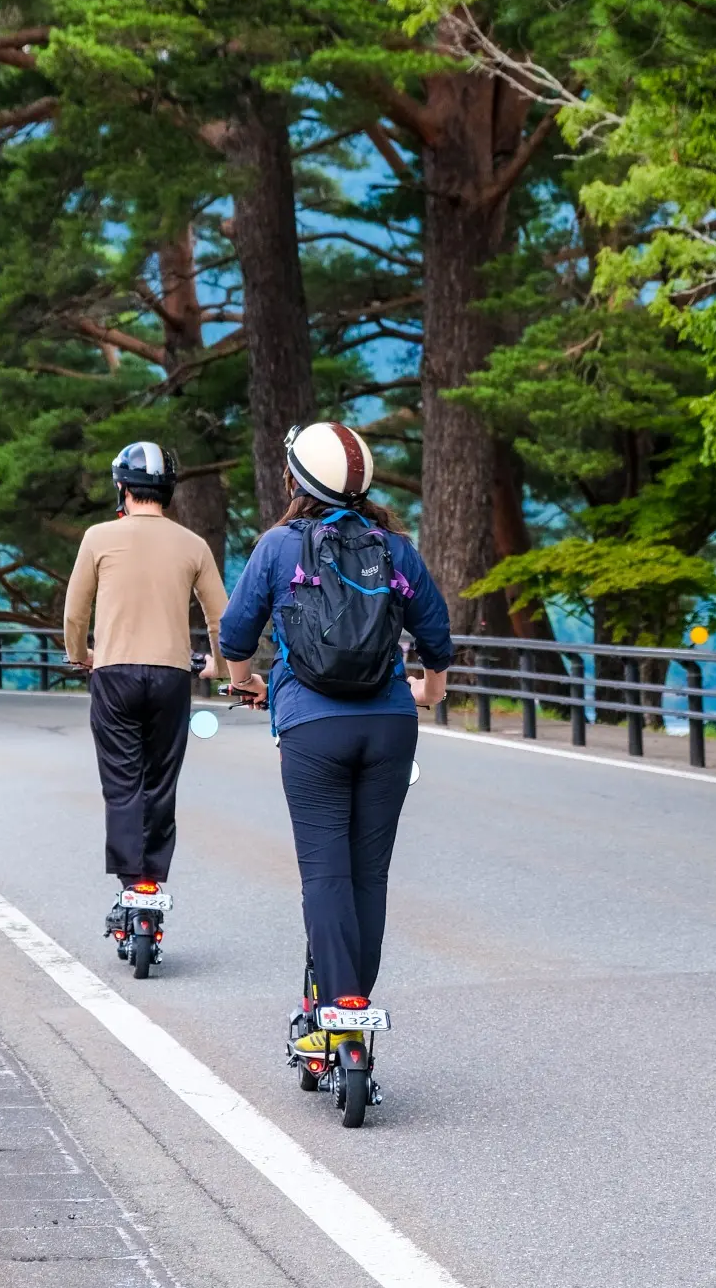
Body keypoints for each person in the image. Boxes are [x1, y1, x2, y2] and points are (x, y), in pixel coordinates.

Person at [218, 421, 451, 1056]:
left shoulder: (277, 547)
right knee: (368, 874)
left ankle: (333, 1007)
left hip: (311, 725)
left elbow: (236, 635)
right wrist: (429, 690)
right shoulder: (395, 548)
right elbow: (436, 636)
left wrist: (245, 685)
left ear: (297, 480)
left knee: (324, 874)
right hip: (389, 724)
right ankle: (356, 1005)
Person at [64, 441, 228, 918]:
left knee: (122, 781)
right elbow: (220, 618)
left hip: (113, 672)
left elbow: (75, 614)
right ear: (168, 492)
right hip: (172, 675)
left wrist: (81, 657)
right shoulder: (192, 544)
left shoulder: (97, 538)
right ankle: (152, 881)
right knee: (160, 780)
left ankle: (130, 884)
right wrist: (218, 664)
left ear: (122, 488)